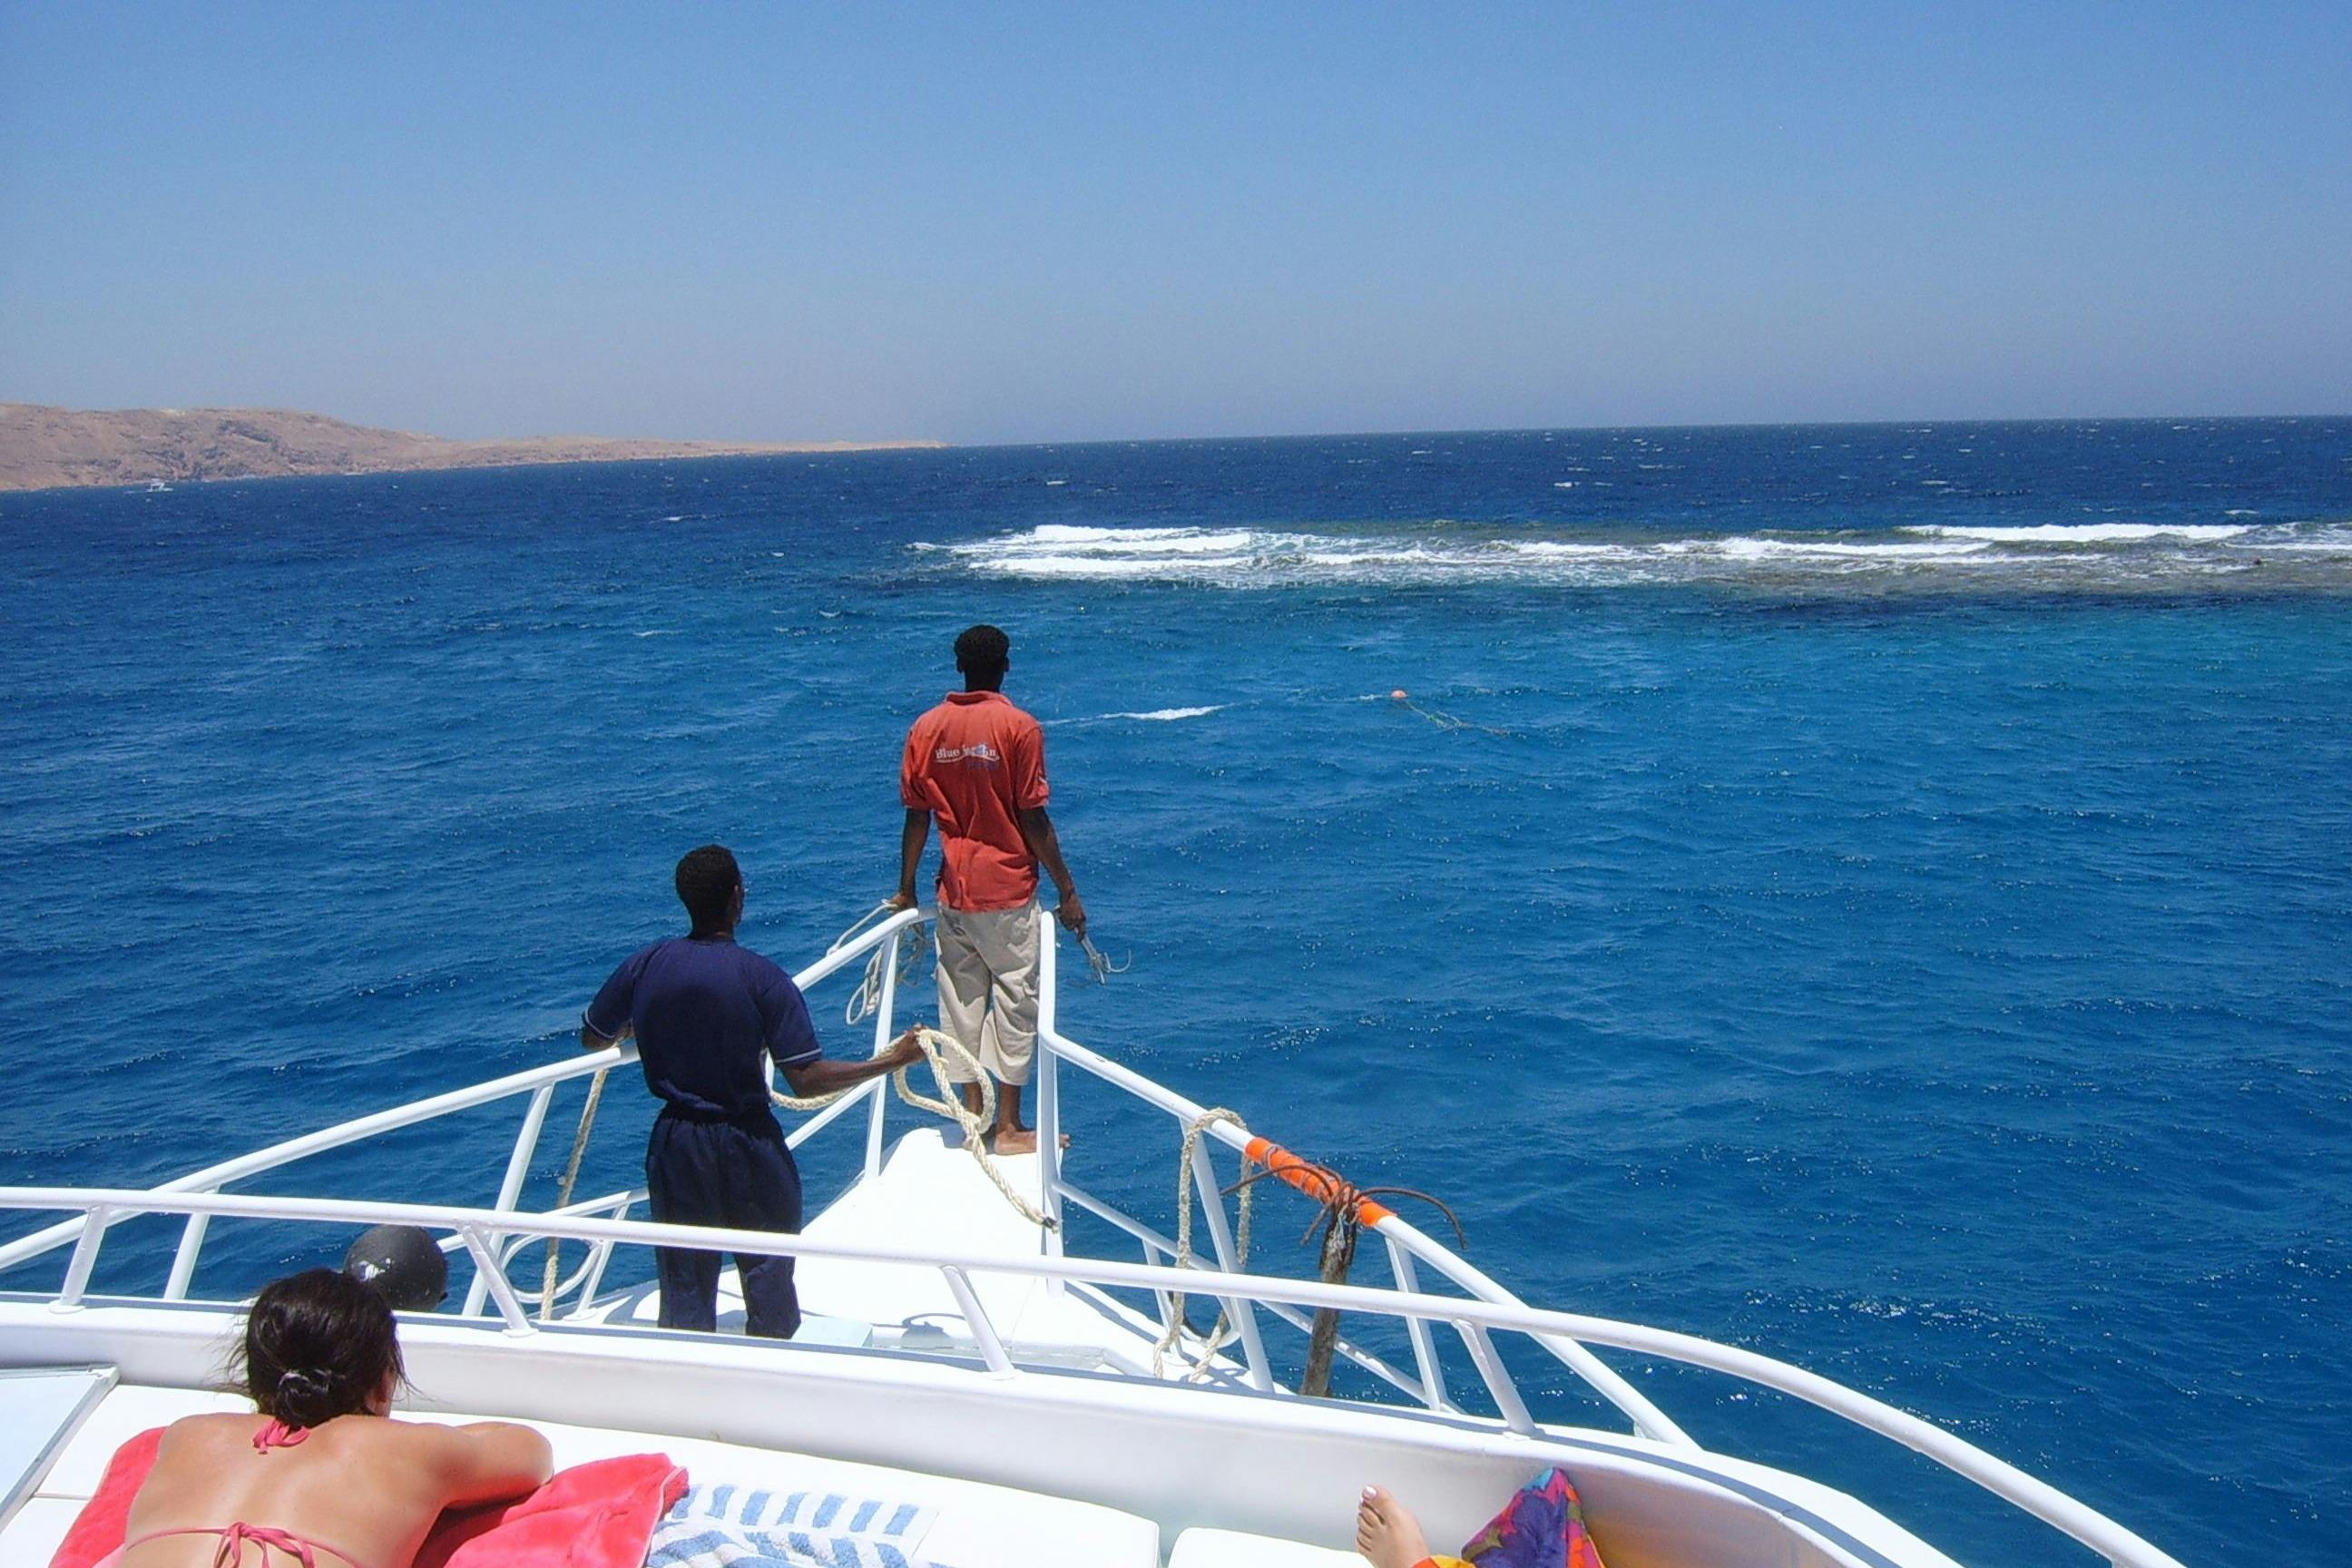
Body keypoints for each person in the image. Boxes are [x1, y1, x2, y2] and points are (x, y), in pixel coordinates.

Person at [582, 844, 921, 1338]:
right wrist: (892, 1060)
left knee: (684, 1282)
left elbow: (594, 1035)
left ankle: (688, 1372)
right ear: (737, 897)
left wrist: (641, 1023)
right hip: (748, 1142)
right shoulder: (762, 978)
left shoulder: (646, 965)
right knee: (768, 1272)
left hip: (677, 1144)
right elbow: (805, 1077)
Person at [110, 1268, 552, 1568]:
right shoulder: (413, 1450)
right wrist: (433, 1444)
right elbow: (532, 1455)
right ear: (384, 1381)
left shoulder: (188, 1434)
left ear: (253, 1374)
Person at [890, 624, 1084, 1156]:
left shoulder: (926, 728)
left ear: (960, 666)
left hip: (953, 892)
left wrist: (906, 889)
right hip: (1008, 892)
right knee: (1016, 1002)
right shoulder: (1019, 727)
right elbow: (1033, 818)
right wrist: (1067, 890)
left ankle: (974, 1117)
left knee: (961, 1005)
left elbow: (916, 818)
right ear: (1006, 666)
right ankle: (1009, 1127)